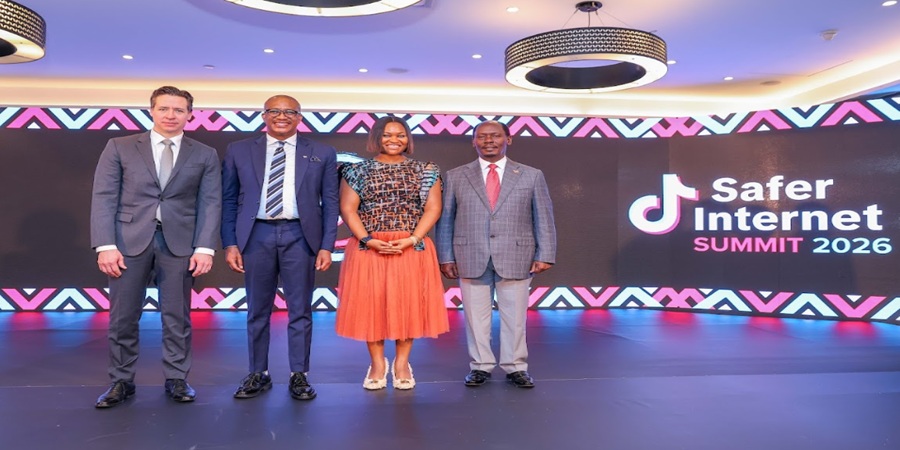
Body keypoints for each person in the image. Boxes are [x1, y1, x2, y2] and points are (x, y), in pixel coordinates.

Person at [91, 86, 222, 408]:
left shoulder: (204, 153)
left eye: (178, 110)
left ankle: (177, 378)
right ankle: (121, 381)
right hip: (127, 242)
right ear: (151, 110)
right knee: (122, 317)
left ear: (190, 114)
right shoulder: (120, 146)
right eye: (164, 108)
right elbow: (104, 197)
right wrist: (105, 244)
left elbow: (210, 202)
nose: (170, 115)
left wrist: (205, 248)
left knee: (177, 317)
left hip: (180, 244)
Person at [221, 95, 339, 401]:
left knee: (300, 310)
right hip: (256, 234)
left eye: (290, 112)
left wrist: (327, 245)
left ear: (300, 117)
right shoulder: (239, 150)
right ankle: (257, 373)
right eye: (274, 111)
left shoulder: (322, 152)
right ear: (264, 115)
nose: (282, 116)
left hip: (301, 236)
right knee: (257, 309)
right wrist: (230, 242)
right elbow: (229, 199)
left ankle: (299, 375)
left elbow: (330, 203)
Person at [435, 120, 557, 389]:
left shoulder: (531, 175)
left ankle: (516, 366)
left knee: (515, 317)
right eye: (481, 136)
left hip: (516, 254)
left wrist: (545, 252)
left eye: (495, 136)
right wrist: (446, 256)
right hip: (469, 254)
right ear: (473, 142)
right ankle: (480, 366)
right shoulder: (456, 176)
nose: (488, 140)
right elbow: (446, 219)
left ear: (508, 139)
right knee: (474, 317)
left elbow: (543, 216)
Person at [335, 116, 449, 390]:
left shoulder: (426, 170)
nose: (394, 140)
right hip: (369, 247)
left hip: (411, 246)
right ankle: (377, 363)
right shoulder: (356, 170)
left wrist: (413, 238)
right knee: (370, 306)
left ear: (408, 139)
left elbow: (433, 208)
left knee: (408, 305)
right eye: (387, 135)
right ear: (377, 138)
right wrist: (367, 239)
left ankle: (402, 363)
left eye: (400, 135)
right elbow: (348, 209)